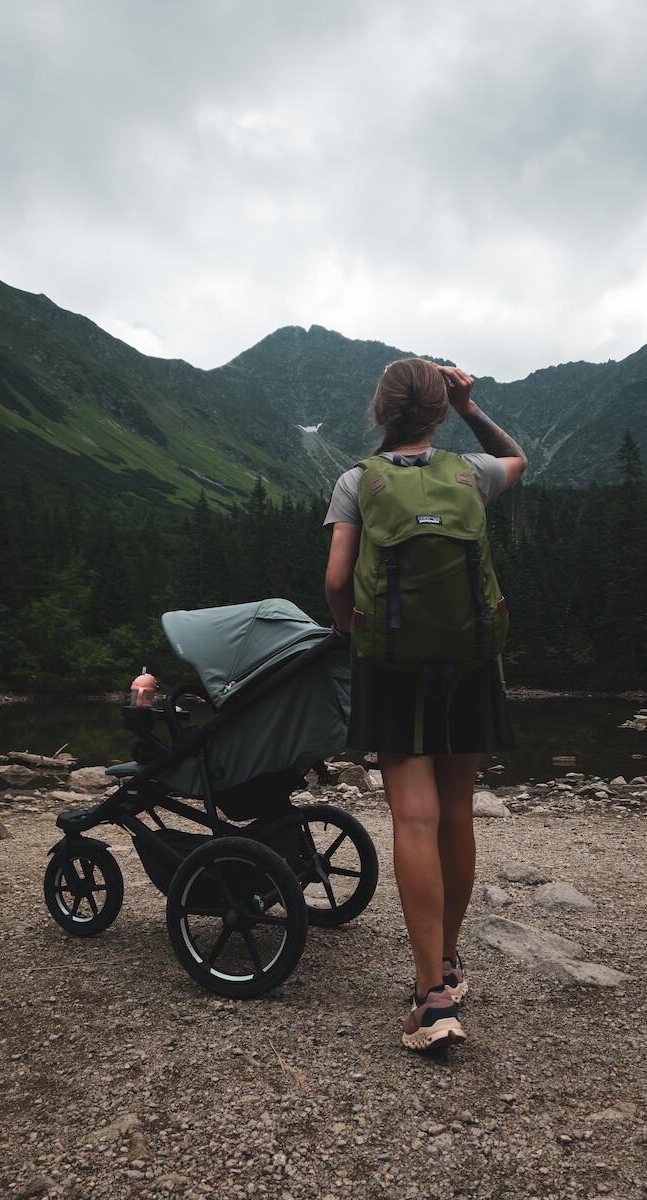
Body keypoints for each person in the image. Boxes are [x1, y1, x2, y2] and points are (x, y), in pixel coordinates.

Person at [324, 358, 527, 1052]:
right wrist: (471, 408)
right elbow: (516, 457)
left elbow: (335, 579)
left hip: (392, 664)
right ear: (439, 412)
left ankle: (430, 999)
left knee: (413, 817)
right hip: (468, 660)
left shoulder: (357, 481)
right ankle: (447, 962)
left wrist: (351, 628)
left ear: (378, 412)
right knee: (456, 813)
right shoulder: (471, 473)